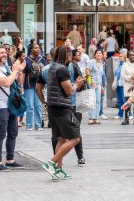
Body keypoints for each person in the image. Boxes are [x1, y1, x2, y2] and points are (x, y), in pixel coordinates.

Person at [43, 46, 85, 180]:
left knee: (61, 138)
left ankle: (58, 169)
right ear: (67, 55)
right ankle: (51, 163)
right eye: (70, 54)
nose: (71, 56)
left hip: (53, 107)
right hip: (62, 108)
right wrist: (77, 84)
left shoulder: (52, 67)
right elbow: (69, 91)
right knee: (75, 138)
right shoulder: (62, 69)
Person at [0, 45, 26, 171]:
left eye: (5, 52)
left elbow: (18, 82)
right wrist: (14, 70)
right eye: (1, 53)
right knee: (0, 134)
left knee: (13, 132)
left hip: (10, 105)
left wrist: (19, 71)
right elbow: (6, 82)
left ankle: (10, 160)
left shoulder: (5, 67)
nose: (4, 54)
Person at [20, 44, 46, 131]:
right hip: (29, 85)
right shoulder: (26, 60)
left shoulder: (42, 59)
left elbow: (45, 71)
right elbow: (23, 73)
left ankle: (38, 125)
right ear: (31, 50)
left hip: (39, 86)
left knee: (38, 106)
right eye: (35, 48)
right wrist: (21, 86)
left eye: (38, 48)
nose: (37, 49)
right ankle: (29, 125)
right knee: (30, 106)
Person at [121, 51, 134, 125]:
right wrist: (130, 77)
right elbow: (123, 75)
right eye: (130, 55)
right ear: (128, 57)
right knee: (128, 102)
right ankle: (126, 119)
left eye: (133, 55)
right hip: (128, 86)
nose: (132, 57)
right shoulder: (125, 65)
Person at [87, 50, 104, 125]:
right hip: (92, 84)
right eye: (97, 53)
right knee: (92, 101)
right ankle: (91, 118)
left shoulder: (102, 63)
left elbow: (100, 75)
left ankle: (96, 117)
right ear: (95, 55)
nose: (98, 54)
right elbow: (87, 72)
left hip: (99, 84)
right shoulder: (91, 62)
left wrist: (101, 85)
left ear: (102, 55)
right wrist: (91, 81)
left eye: (100, 53)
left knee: (98, 101)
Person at [114, 51, 127, 120]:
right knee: (119, 100)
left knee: (124, 100)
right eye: (119, 56)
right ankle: (120, 114)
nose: (119, 57)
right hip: (118, 84)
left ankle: (129, 113)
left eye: (121, 56)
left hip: (123, 84)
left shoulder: (126, 64)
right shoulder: (118, 65)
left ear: (125, 58)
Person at [99, 50, 108, 120]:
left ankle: (100, 112)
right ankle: (100, 113)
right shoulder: (99, 63)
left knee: (101, 98)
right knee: (99, 98)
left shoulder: (104, 63)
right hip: (99, 83)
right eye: (105, 54)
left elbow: (104, 74)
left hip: (103, 82)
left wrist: (105, 81)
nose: (106, 56)